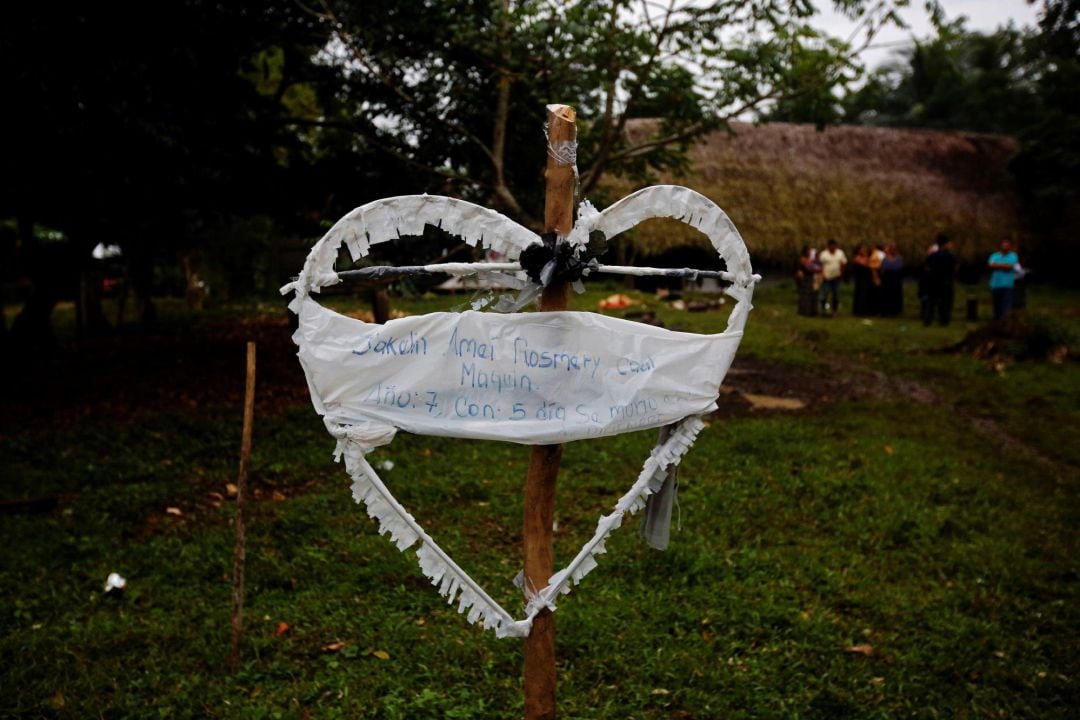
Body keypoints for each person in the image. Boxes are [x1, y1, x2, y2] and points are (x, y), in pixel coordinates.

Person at [923, 235, 956, 326]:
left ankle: (928, 320)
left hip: (933, 281)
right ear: (945, 244)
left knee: (931, 302)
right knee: (945, 302)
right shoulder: (951, 256)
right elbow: (954, 268)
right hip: (946, 282)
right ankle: (944, 321)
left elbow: (927, 267)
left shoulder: (932, 256)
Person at [988, 239, 1019, 321]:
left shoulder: (1013, 256)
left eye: (1007, 245)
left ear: (1010, 247)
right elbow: (991, 265)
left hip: (1007, 285)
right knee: (996, 306)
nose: (1005, 247)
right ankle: (997, 323)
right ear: (1001, 246)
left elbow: (1009, 267)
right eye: (1004, 245)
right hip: (995, 284)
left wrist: (997, 265)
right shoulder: (994, 255)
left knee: (1006, 307)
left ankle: (1005, 323)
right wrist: (1004, 265)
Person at [817, 239, 846, 316]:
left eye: (834, 246)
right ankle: (823, 310)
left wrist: (841, 273)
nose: (833, 247)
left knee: (836, 294)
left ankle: (834, 310)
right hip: (826, 277)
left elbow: (843, 263)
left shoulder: (840, 253)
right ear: (828, 246)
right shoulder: (824, 254)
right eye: (831, 246)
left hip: (836, 276)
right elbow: (820, 265)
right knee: (824, 293)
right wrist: (822, 274)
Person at [794, 245, 821, 316]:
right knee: (805, 295)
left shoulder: (811, 260)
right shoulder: (803, 259)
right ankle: (804, 310)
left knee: (812, 294)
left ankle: (812, 310)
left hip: (811, 277)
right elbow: (809, 268)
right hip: (806, 278)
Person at [879, 243, 904, 317]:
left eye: (894, 248)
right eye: (892, 248)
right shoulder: (885, 259)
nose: (893, 250)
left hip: (896, 279)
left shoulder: (899, 258)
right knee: (886, 295)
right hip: (887, 279)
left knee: (895, 295)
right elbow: (882, 269)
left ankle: (895, 311)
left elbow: (900, 268)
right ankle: (886, 311)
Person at [851, 243, 874, 316]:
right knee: (861, 294)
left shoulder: (868, 257)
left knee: (867, 294)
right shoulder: (857, 258)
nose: (864, 250)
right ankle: (860, 311)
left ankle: (867, 310)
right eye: (862, 249)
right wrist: (867, 257)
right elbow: (866, 264)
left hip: (867, 278)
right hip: (860, 279)